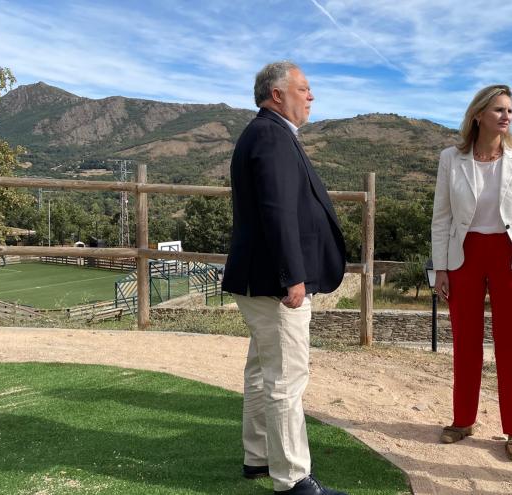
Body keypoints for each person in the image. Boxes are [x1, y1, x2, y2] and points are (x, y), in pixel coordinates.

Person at [222, 61, 347, 495]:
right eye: (304, 88)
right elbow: (277, 211)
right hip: (276, 282)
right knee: (285, 378)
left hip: (259, 276)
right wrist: (292, 275)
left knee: (261, 371)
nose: (311, 96)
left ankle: (257, 457)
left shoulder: (266, 133)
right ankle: (293, 480)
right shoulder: (271, 136)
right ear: (277, 95)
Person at [430, 84, 512, 461]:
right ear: (478, 115)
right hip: (464, 254)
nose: (506, 116)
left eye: (510, 110)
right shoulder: (451, 157)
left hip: (511, 255)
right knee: (465, 339)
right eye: (498, 109)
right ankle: (462, 420)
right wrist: (441, 267)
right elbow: (442, 217)